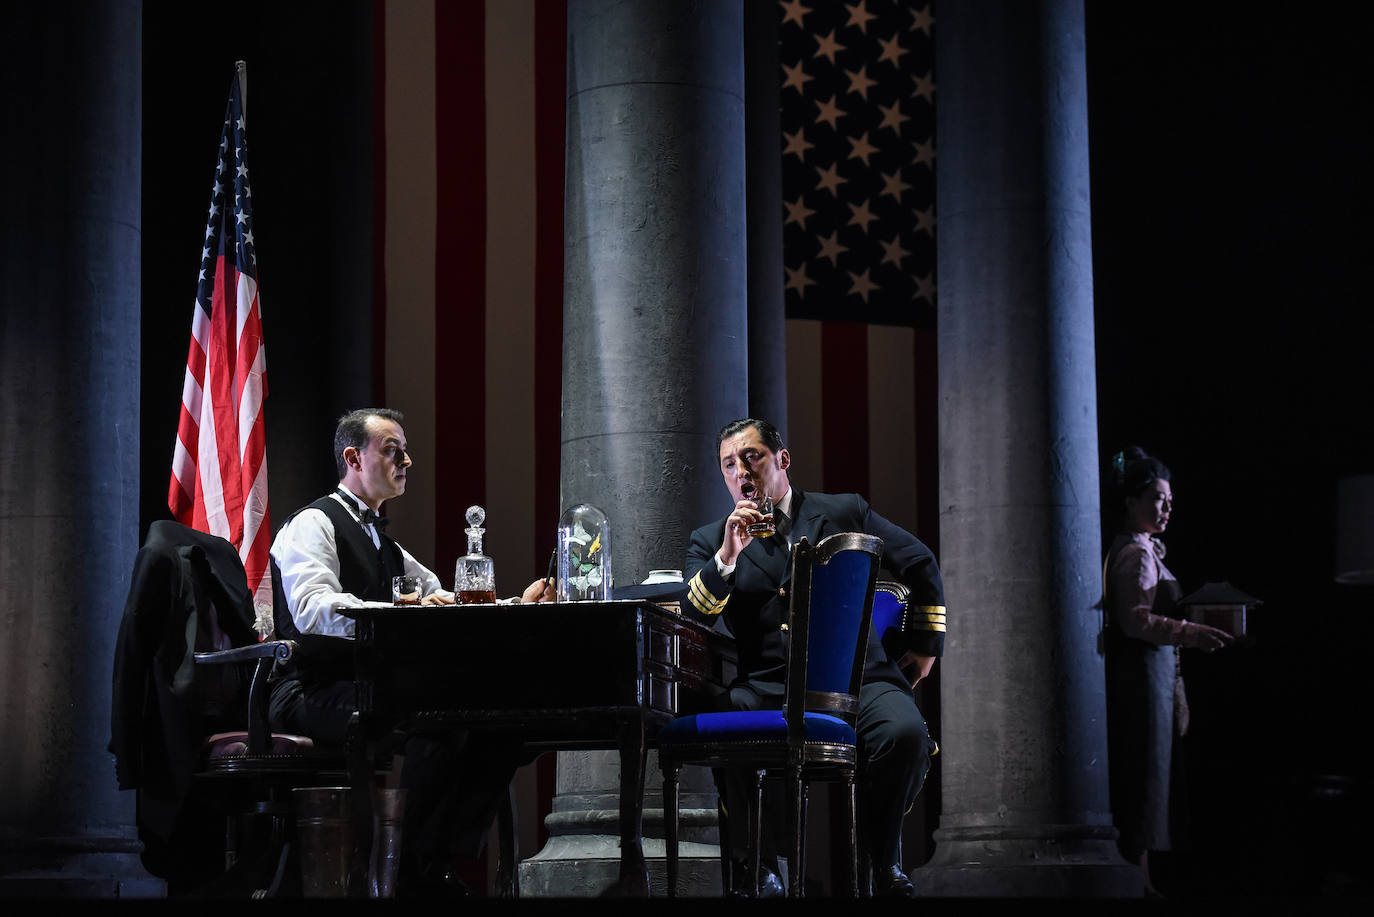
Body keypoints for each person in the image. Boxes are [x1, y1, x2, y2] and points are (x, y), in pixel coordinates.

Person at [268, 407, 552, 896]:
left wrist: (513, 605)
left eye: (405, 450)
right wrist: (395, 613)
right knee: (438, 718)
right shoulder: (313, 523)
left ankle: (433, 858)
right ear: (354, 457)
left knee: (501, 723)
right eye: (392, 450)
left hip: (369, 687)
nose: (407, 460)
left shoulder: (385, 543)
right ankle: (411, 873)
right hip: (309, 690)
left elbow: (448, 600)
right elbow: (313, 608)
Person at [684, 418, 947, 897]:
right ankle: (759, 868)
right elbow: (694, 616)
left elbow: (920, 560)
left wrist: (927, 644)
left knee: (904, 734)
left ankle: (882, 862)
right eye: (729, 464)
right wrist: (727, 556)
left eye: (752, 457)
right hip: (768, 686)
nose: (742, 471)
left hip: (857, 679)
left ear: (781, 460)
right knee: (728, 724)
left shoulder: (843, 510)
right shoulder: (710, 540)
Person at [1102, 446, 1232, 898]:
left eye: (1169, 499)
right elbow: (1134, 618)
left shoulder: (1147, 549)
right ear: (1131, 501)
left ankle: (1144, 878)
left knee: (1152, 772)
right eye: (1158, 497)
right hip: (1139, 676)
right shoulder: (1134, 554)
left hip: (1154, 674)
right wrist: (1192, 632)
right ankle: (1137, 880)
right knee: (1141, 772)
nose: (1167, 506)